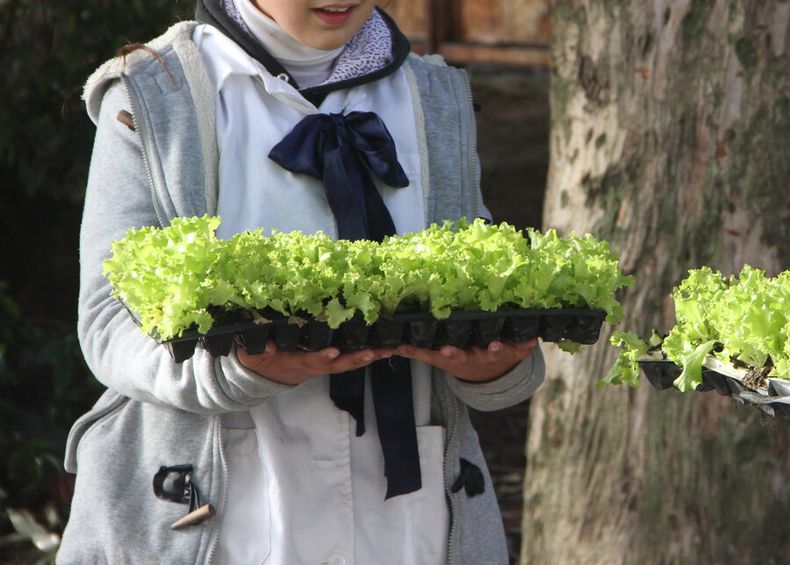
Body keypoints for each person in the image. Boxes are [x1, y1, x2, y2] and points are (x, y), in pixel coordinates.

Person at [58, 1, 546, 563]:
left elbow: (482, 288)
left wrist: (495, 369)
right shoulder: (154, 92)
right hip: (222, 522)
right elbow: (109, 323)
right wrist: (230, 370)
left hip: (410, 526)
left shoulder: (434, 96)